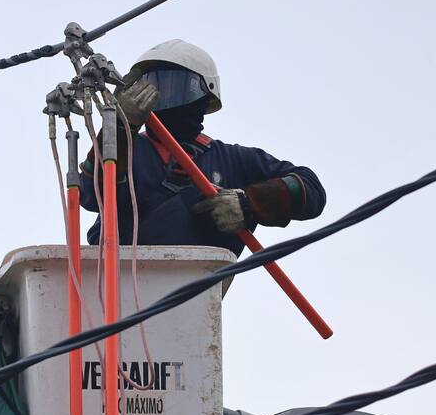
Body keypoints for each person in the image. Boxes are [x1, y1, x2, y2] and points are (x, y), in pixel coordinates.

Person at [78, 39, 326, 256]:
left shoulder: (231, 159)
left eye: (175, 86)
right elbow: (91, 193)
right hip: (120, 285)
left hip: (197, 293)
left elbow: (310, 188)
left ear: (203, 94)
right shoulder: (126, 149)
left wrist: (251, 204)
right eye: (154, 85)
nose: (162, 95)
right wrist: (119, 129)